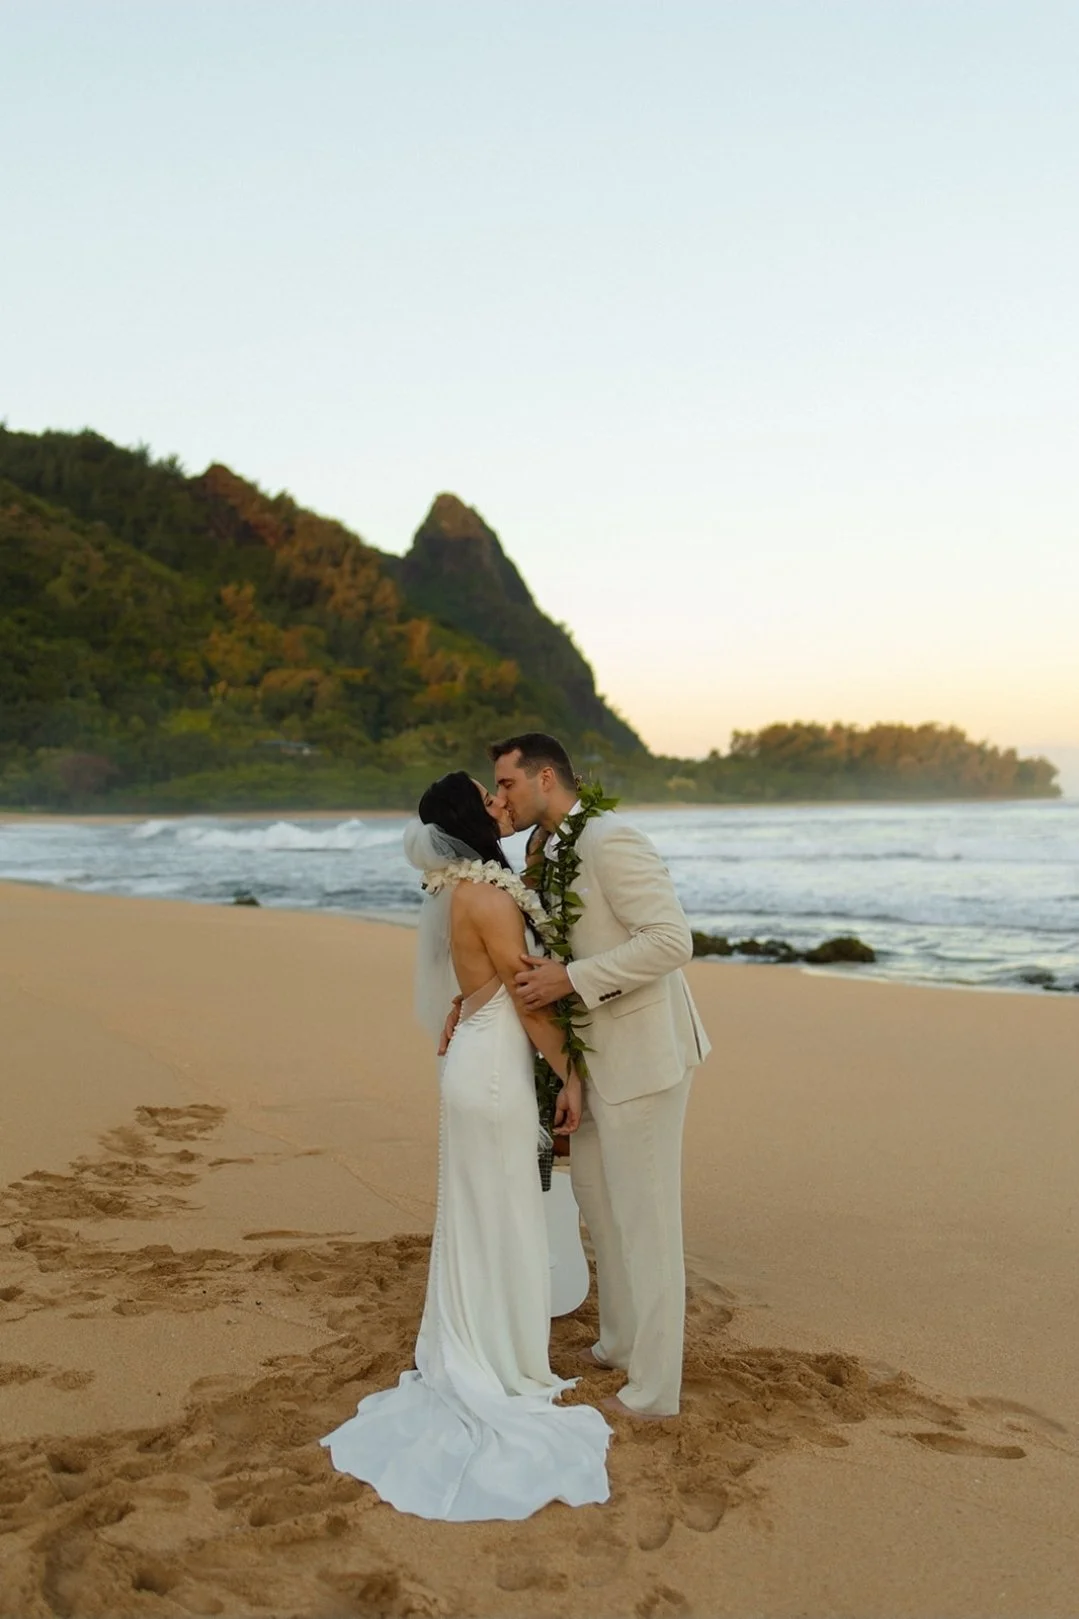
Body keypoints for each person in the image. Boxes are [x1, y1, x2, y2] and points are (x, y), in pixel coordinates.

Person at [321, 771, 611, 1520]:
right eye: (485, 796)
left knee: (485, 1213)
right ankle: (496, 1365)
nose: (495, 803)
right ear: (467, 820)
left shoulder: (466, 891)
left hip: (479, 1058)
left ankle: (486, 1346)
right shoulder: (485, 893)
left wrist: (464, 1005)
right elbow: (526, 995)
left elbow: (480, 981)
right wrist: (570, 1073)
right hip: (491, 1072)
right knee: (501, 1212)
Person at [490, 733, 711, 1419]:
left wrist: (573, 978)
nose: (500, 795)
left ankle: (654, 1388)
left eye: (508, 783)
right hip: (591, 1062)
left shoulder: (610, 839)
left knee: (647, 1225)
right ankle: (618, 1342)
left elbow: (672, 940)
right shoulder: (547, 850)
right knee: (601, 1209)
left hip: (643, 1055)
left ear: (546, 776)